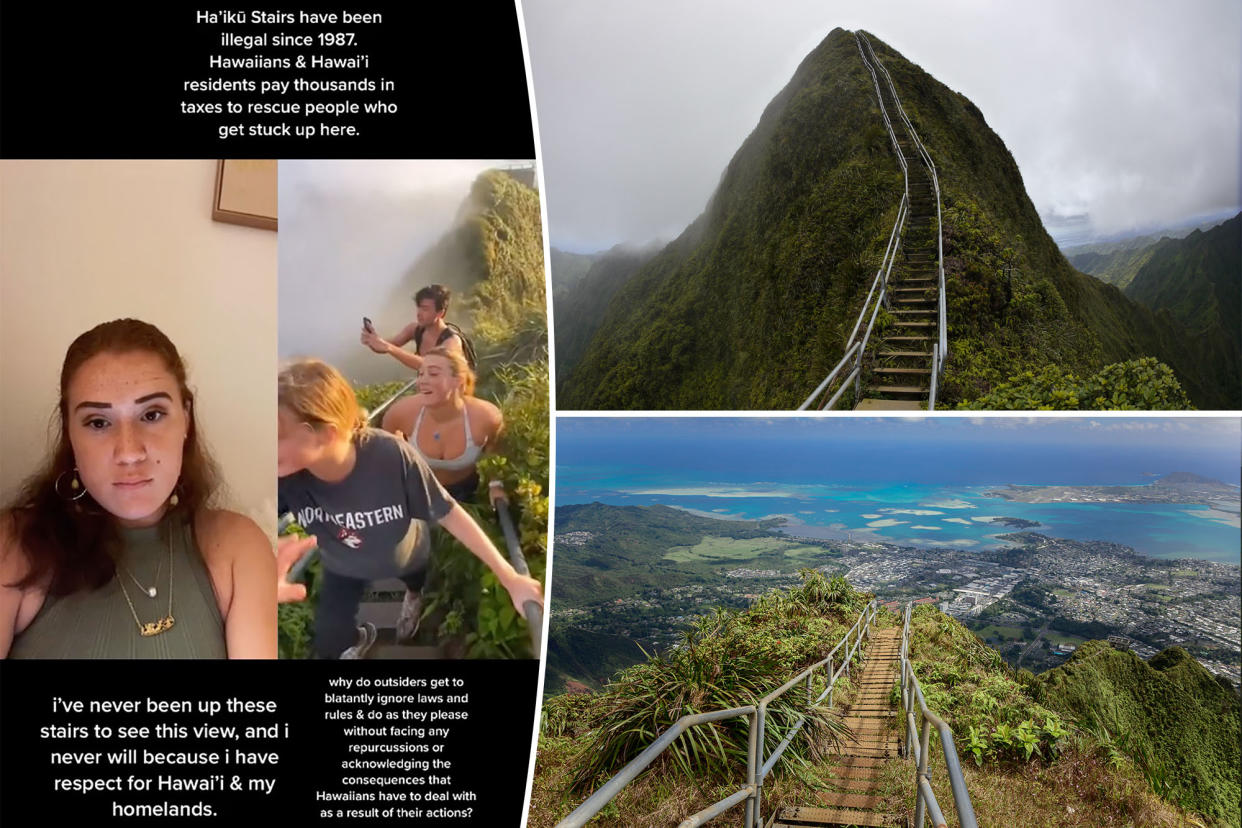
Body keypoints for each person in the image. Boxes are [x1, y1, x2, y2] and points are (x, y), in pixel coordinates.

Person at [0, 319, 277, 659]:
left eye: (152, 415)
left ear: (185, 419)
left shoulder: (238, 548)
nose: (129, 452)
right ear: (70, 433)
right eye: (98, 422)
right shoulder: (13, 547)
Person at [276, 358, 540, 658]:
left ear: (327, 433)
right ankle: (356, 639)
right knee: (332, 636)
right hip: (343, 568)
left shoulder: (389, 456)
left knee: (414, 582)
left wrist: (510, 577)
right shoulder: (285, 477)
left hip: (408, 554)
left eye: (276, 434)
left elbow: (448, 511)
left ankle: (413, 596)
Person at [380, 347, 502, 503]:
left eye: (433, 374)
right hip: (419, 490)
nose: (422, 380)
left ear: (459, 381)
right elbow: (384, 449)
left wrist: (495, 485)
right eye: (421, 374)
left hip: (465, 491)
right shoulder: (401, 413)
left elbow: (495, 453)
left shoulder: (486, 416)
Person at [360, 284, 464, 373]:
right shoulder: (415, 329)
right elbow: (387, 346)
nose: (419, 313)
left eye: (425, 309)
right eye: (418, 307)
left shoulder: (452, 341)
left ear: (440, 313)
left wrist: (388, 347)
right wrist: (372, 340)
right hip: (428, 390)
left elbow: (430, 366)